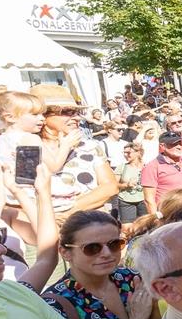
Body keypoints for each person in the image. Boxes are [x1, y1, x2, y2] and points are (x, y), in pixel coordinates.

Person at [32, 84, 118, 221]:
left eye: (76, 113)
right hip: (40, 230)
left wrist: (68, 212)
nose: (77, 118)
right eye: (67, 112)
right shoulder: (24, 147)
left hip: (90, 227)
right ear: (42, 115)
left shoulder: (90, 146)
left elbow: (110, 186)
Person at [140, 132, 182, 214]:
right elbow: (149, 200)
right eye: (174, 144)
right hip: (170, 214)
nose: (179, 147)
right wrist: (156, 220)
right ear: (162, 146)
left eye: (180, 143)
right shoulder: (152, 166)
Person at [115, 142, 147, 224]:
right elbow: (114, 185)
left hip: (143, 200)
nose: (125, 155)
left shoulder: (147, 166)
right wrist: (126, 185)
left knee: (144, 225)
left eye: (128, 152)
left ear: (138, 152)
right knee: (127, 228)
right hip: (126, 200)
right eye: (124, 152)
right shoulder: (122, 167)